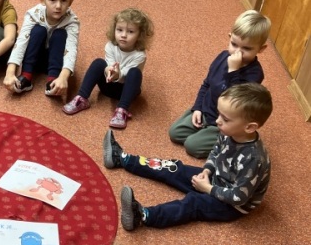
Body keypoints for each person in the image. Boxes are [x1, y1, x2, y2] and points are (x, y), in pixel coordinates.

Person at [104, 83, 272, 230]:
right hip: (216, 179)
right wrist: (207, 170)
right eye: (219, 114)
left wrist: (208, 189)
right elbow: (216, 152)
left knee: (194, 203)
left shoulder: (254, 158)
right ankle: (123, 158)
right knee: (174, 168)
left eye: (226, 119)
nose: (218, 121)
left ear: (249, 127)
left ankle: (142, 215)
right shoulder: (228, 132)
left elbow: (238, 197)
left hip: (232, 205)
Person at [169, 9, 270, 158]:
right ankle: (203, 130)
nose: (238, 52)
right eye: (234, 44)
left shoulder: (255, 74)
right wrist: (197, 108)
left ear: (261, 49)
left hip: (227, 122)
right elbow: (206, 84)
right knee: (175, 133)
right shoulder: (222, 56)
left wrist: (233, 70)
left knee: (192, 146)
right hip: (206, 111)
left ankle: (229, 142)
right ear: (229, 37)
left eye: (247, 48)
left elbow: (235, 101)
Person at [64, 7, 154, 129]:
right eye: (119, 30)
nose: (123, 35)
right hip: (107, 85)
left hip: (126, 90)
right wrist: (109, 70)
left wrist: (117, 74)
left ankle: (122, 110)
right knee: (98, 63)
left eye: (130, 32)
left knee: (135, 73)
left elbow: (126, 73)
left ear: (140, 35)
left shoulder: (140, 55)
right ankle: (81, 98)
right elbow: (109, 64)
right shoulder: (110, 46)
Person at [3, 0, 80, 98]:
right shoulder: (33, 14)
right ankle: (26, 76)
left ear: (71, 1)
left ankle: (53, 80)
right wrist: (10, 72)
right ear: (43, 0)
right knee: (39, 30)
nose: (58, 6)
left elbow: (71, 49)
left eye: (64, 0)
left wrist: (63, 77)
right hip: (34, 58)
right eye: (52, 0)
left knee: (60, 34)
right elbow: (21, 41)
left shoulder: (72, 21)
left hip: (56, 61)